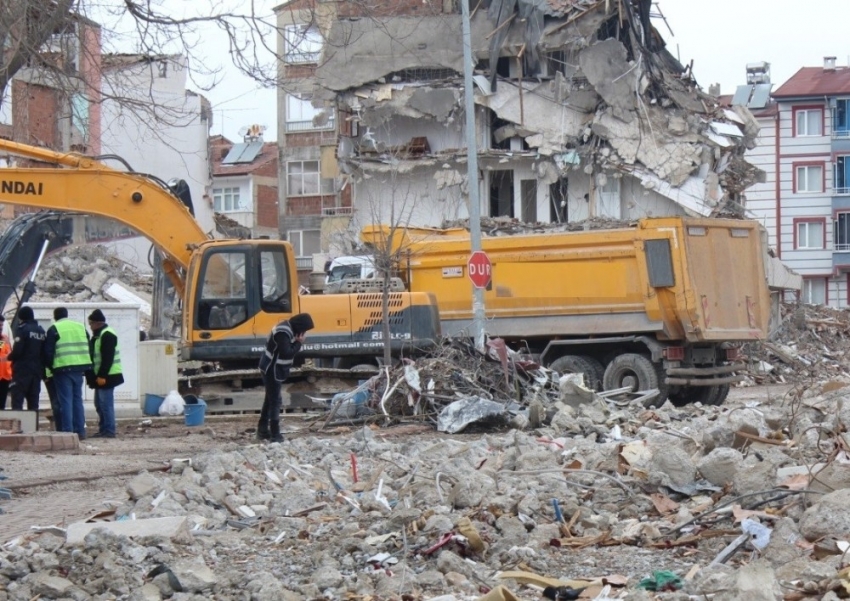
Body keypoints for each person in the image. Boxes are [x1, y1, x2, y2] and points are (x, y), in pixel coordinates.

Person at [257, 313, 314, 443]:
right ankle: (275, 434)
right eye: (304, 330)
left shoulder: (286, 328)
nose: (303, 333)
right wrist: (299, 343)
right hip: (272, 369)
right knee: (275, 401)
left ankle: (262, 430)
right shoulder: (283, 332)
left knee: (270, 399)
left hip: (273, 367)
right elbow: (286, 352)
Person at [44, 307, 91, 439]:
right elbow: (89, 345)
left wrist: (50, 367)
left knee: (65, 401)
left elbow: (48, 352)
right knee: (77, 400)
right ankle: (80, 431)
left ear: (55, 317)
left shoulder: (54, 328)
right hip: (79, 368)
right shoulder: (80, 327)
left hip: (62, 369)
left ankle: (67, 433)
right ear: (66, 315)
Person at [86, 309, 124, 438]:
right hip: (103, 375)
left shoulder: (107, 335)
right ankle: (104, 429)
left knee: (105, 404)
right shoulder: (99, 335)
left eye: (91, 324)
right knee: (99, 404)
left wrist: (102, 375)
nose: (90, 327)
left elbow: (108, 357)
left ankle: (109, 430)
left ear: (97, 323)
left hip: (108, 375)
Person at [7, 306, 45, 411]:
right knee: (33, 402)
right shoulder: (41, 331)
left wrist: (8, 358)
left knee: (17, 401)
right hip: (36, 371)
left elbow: (17, 350)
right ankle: (33, 426)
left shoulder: (21, 330)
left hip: (20, 371)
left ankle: (17, 426)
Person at [0, 316, 12, 409]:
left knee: (2, 405)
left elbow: (10, 354)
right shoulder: (2, 340)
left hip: (5, 376)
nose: (1, 327)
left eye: (2, 325)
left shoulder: (5, 338)